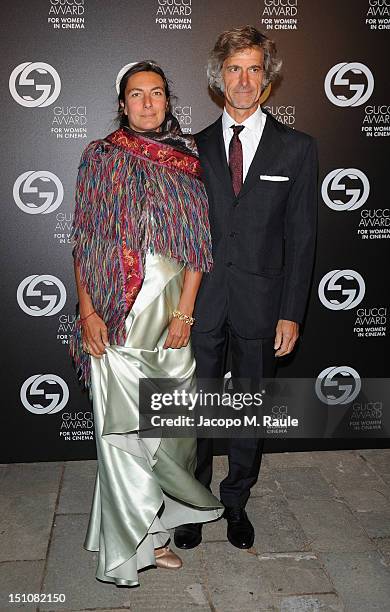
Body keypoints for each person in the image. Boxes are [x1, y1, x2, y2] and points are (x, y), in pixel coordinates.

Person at [69, 61, 224, 587]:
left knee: (169, 430)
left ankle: (154, 527)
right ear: (123, 103)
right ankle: (133, 545)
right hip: (117, 313)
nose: (148, 102)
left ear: (167, 101)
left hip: (171, 310)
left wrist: (185, 310)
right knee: (122, 434)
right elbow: (86, 243)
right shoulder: (101, 157)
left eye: (157, 93)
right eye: (138, 94)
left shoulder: (188, 158)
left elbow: (200, 244)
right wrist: (88, 312)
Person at [174, 26, 318, 551]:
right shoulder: (194, 146)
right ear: (219, 78)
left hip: (262, 305)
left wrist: (292, 312)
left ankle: (236, 502)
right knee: (199, 412)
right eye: (234, 68)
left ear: (268, 78)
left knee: (247, 408)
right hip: (202, 303)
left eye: (253, 68)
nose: (243, 80)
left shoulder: (296, 148)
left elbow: (302, 238)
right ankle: (193, 503)